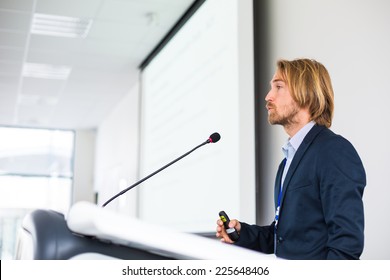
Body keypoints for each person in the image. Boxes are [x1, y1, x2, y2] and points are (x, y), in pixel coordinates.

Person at [216, 58, 366, 260]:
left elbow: (346, 244)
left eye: (278, 87)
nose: (268, 96)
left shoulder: (333, 151)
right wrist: (241, 233)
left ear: (305, 93)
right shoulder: (286, 162)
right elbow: (283, 236)